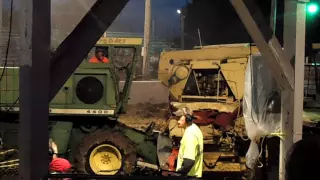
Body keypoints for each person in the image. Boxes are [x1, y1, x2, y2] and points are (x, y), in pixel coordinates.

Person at [173, 107, 204, 179]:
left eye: (179, 118)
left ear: (188, 118)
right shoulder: (195, 128)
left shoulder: (190, 135)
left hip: (189, 176)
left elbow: (189, 162)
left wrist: (178, 174)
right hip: (194, 174)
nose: (177, 121)